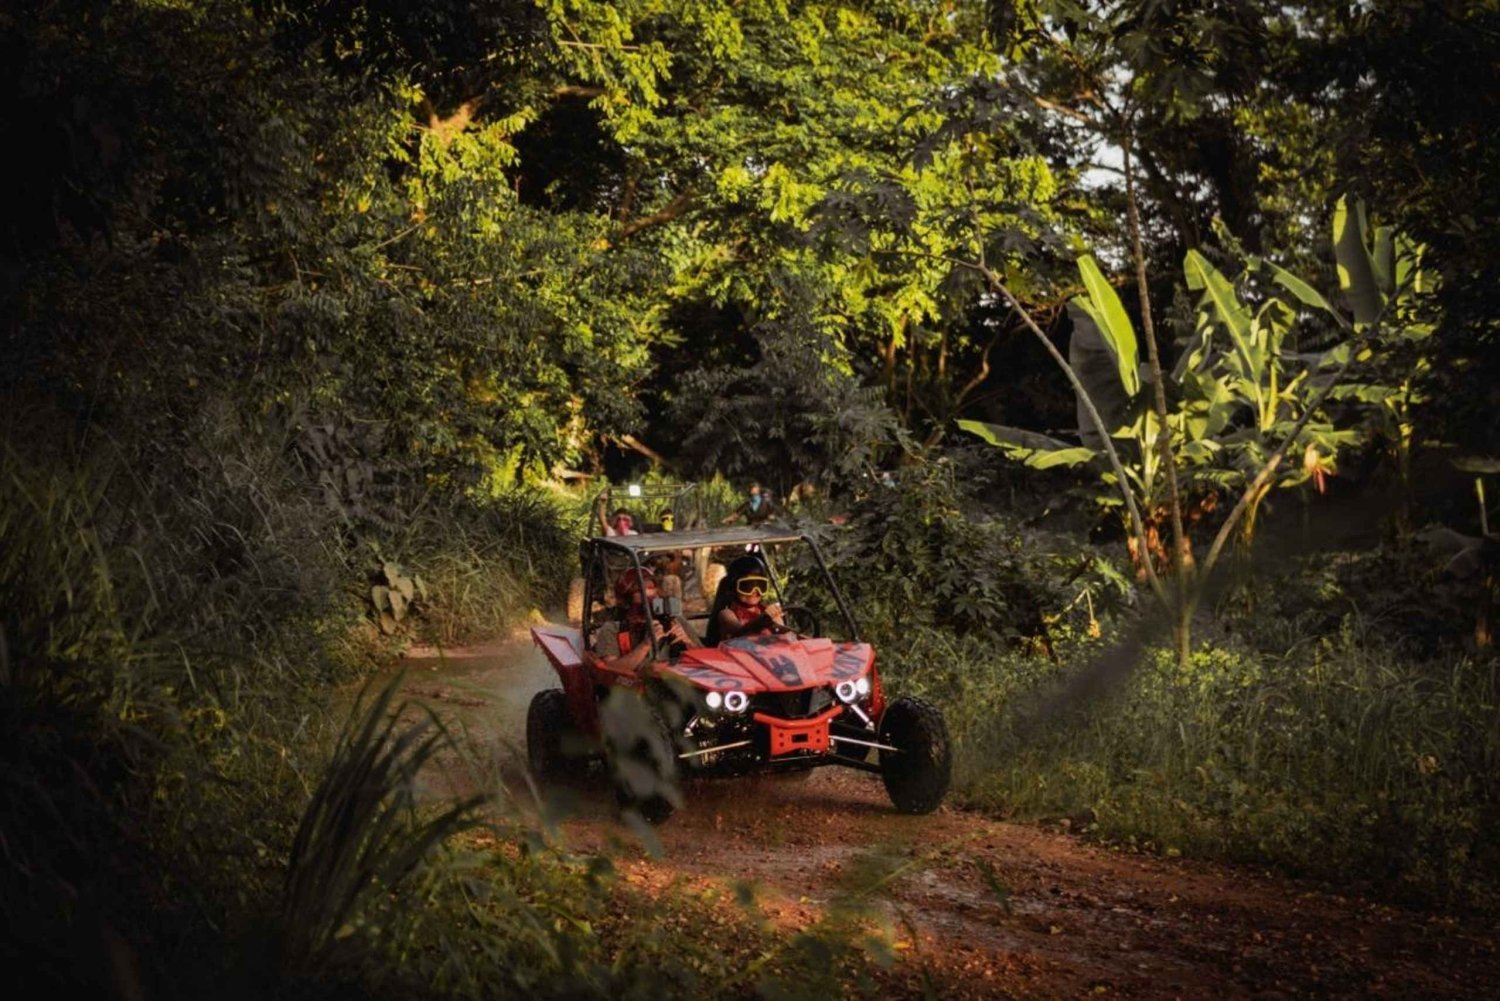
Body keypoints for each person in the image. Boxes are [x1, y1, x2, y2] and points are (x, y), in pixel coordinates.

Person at [594, 567, 700, 675]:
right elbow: (610, 671)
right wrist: (646, 644)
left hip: (677, 680)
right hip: (638, 687)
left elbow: (704, 657)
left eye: (651, 588)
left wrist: (688, 642)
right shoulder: (613, 629)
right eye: (640, 590)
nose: (648, 593)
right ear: (627, 598)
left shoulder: (673, 619)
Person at [706, 554, 784, 646]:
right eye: (748, 586)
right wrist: (764, 620)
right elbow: (740, 631)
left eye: (760, 585)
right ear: (733, 587)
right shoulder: (726, 614)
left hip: (768, 657)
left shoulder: (765, 610)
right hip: (738, 657)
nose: (755, 591)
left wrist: (777, 620)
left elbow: (784, 636)